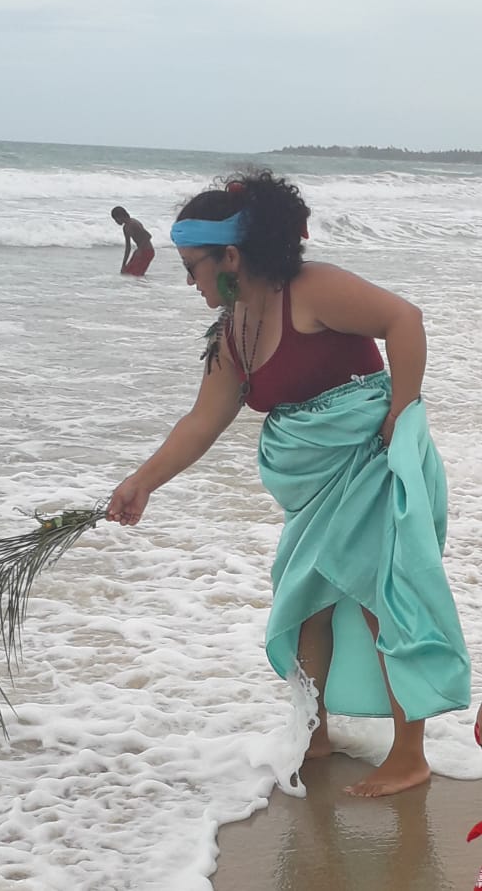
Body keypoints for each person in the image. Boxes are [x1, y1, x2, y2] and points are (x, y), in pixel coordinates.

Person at [107, 170, 470, 797]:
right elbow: (203, 421)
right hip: (315, 484)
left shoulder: (311, 289)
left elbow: (404, 320)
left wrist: (399, 414)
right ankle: (313, 732)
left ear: (230, 257)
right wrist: (143, 481)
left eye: (192, 267)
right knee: (307, 603)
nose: (188, 281)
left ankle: (410, 755)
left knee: (384, 601)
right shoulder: (233, 333)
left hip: (369, 460)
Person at [111, 206, 155, 276]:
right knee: (125, 272)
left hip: (147, 251)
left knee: (135, 275)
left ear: (121, 216)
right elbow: (128, 247)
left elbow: (148, 236)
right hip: (140, 251)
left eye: (116, 219)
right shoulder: (125, 228)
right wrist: (123, 264)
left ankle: (142, 283)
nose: (116, 222)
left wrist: (140, 250)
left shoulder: (133, 223)